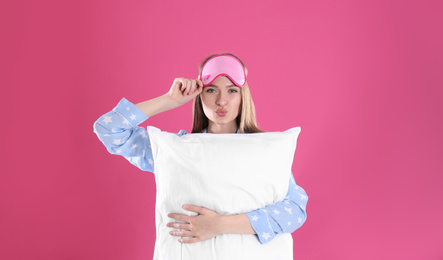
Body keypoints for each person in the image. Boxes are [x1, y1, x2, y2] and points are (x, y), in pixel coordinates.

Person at [93, 53, 308, 246]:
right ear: (199, 95)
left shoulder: (263, 149)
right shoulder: (179, 151)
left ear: (243, 97)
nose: (221, 101)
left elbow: (295, 211)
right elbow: (110, 129)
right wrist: (170, 100)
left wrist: (219, 225)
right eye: (211, 90)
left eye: (232, 90)